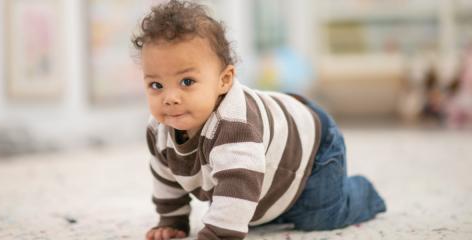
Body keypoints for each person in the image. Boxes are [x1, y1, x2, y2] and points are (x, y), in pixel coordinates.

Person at [131, 1, 386, 239]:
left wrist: (219, 234)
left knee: (318, 216)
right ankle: (275, 203)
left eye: (187, 82)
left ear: (224, 80)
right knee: (247, 209)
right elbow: (166, 175)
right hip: (264, 168)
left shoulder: (234, 126)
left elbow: (237, 184)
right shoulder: (159, 131)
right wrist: (172, 221)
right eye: (156, 85)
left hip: (313, 151)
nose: (170, 98)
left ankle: (363, 193)